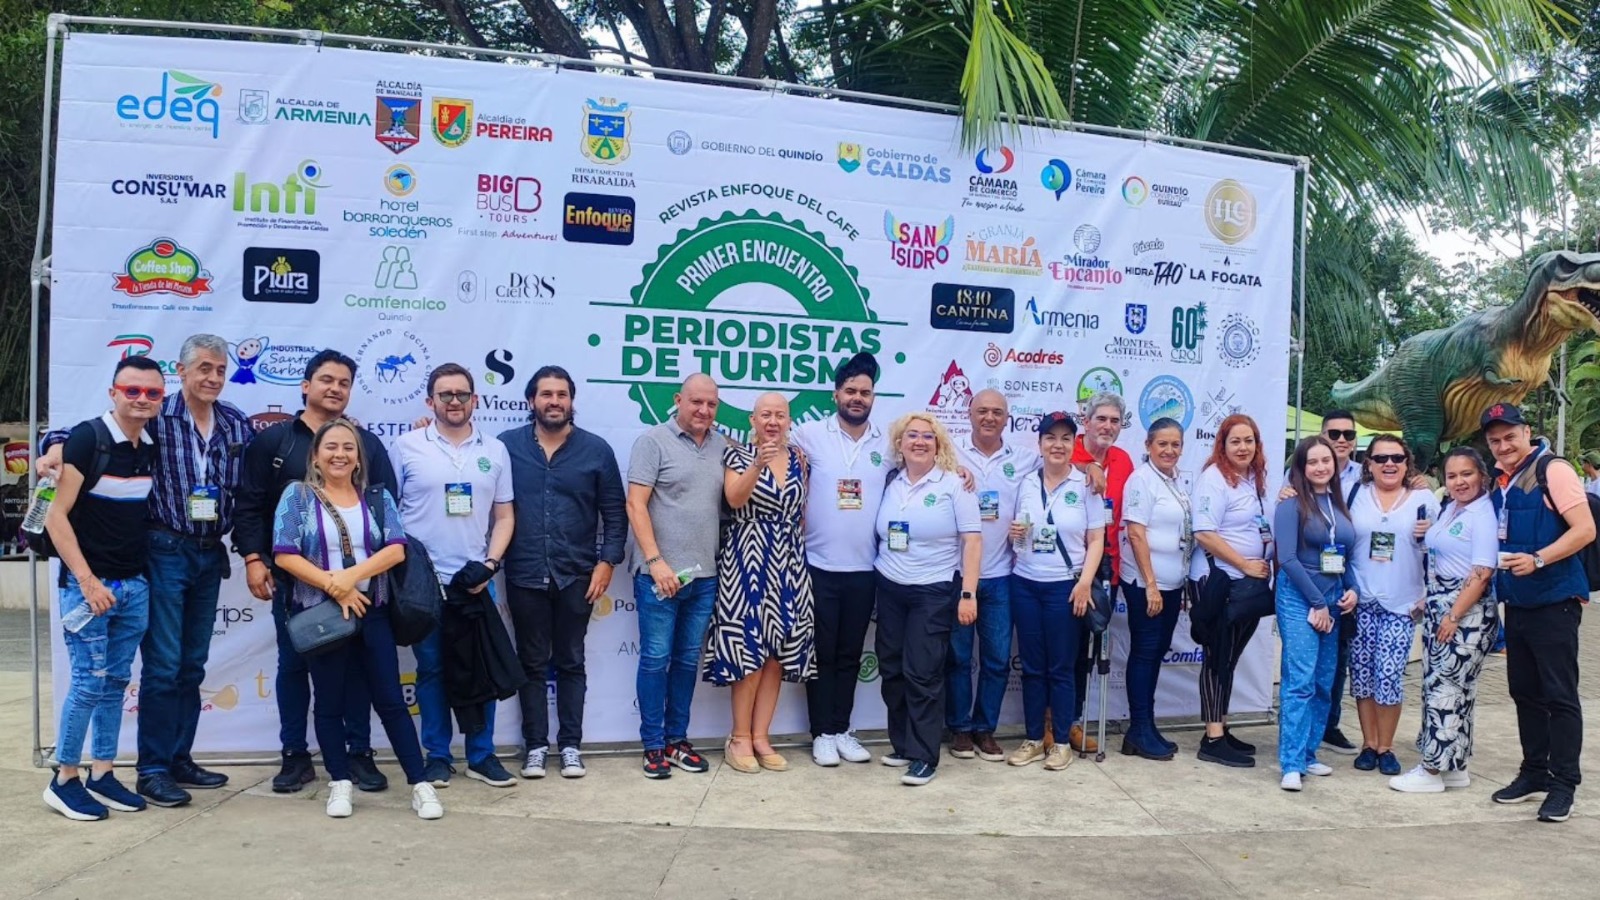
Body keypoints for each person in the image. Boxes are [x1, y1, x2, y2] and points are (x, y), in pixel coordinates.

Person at [35, 335, 254, 807]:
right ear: (182, 371)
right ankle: (151, 769)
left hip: (209, 553)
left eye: (220, 369)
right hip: (164, 550)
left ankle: (179, 758)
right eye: (204, 368)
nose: (213, 377)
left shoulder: (236, 422)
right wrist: (53, 444)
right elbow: (91, 431)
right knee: (163, 665)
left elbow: (262, 469)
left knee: (192, 665)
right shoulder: (158, 413)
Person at [234, 350, 400, 794]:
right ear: (305, 386)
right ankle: (295, 756)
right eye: (326, 380)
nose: (335, 388)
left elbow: (386, 510)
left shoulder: (367, 445)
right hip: (297, 585)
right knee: (293, 666)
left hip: (363, 588)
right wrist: (254, 558)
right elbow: (249, 504)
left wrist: (355, 578)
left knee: (359, 673)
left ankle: (358, 754)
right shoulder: (274, 443)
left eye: (344, 382)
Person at [271, 418, 442, 820]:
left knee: (390, 701)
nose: (340, 454)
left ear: (359, 458)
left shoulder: (378, 499)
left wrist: (350, 577)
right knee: (328, 703)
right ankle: (340, 783)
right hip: (322, 616)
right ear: (315, 455)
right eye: (331, 447)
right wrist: (335, 587)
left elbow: (396, 550)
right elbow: (284, 553)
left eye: (348, 448)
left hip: (373, 613)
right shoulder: (297, 496)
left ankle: (420, 785)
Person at [40, 356, 162, 820]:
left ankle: (103, 773)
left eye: (151, 393)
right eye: (132, 391)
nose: (141, 400)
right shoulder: (89, 438)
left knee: (114, 684)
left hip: (133, 586)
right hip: (88, 588)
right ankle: (64, 778)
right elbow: (56, 517)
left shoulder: (149, 443)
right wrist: (89, 582)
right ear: (113, 392)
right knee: (88, 684)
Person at [393, 363, 517, 788]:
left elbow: (504, 515)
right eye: (445, 394)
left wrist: (491, 564)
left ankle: (482, 755)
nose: (454, 401)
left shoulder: (495, 450)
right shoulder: (407, 445)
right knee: (431, 670)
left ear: (475, 400)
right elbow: (389, 513)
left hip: (474, 579)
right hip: (423, 583)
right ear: (430, 401)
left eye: (462, 394)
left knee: (480, 668)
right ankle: (439, 757)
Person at [500, 365, 626, 780]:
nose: (554, 401)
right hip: (524, 573)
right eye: (546, 394)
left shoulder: (596, 450)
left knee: (571, 661)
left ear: (572, 401)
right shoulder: (505, 447)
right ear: (530, 401)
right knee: (532, 662)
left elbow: (614, 514)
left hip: (578, 576)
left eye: (562, 394)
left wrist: (606, 562)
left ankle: (571, 745)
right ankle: (535, 746)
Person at [1482, 403, 1595, 823]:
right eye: (1495, 439)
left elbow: (1585, 530)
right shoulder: (1500, 481)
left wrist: (1541, 560)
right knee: (1524, 691)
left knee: (1559, 696)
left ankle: (1563, 783)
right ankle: (1534, 773)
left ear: (1526, 432)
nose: (1503, 445)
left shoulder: (1553, 470)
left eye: (1510, 436)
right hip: (1520, 603)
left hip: (1555, 601)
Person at [705, 393, 815, 773]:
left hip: (789, 559)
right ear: (752, 420)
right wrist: (758, 464)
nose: (773, 421)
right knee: (748, 649)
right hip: (747, 558)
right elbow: (734, 500)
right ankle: (738, 738)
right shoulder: (736, 455)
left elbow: (801, 512)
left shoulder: (801, 459)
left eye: (780, 416)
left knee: (777, 653)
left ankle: (761, 736)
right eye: (765, 415)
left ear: (788, 421)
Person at [626, 373, 726, 779]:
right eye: (696, 402)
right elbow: (635, 505)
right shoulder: (652, 442)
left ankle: (676, 741)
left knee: (686, 662)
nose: (703, 410)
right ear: (678, 400)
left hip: (704, 577)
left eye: (712, 404)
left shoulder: (722, 445)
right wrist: (656, 562)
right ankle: (653, 746)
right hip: (659, 578)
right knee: (654, 660)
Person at [874, 412, 981, 786]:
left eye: (928, 437)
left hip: (933, 590)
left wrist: (968, 593)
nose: (919, 442)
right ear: (899, 443)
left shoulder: (955, 484)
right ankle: (902, 744)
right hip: (889, 585)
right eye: (912, 436)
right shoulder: (891, 481)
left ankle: (924, 755)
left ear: (939, 445)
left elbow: (972, 540)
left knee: (922, 672)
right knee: (892, 667)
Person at [791, 352, 887, 767]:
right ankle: (821, 733)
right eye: (850, 390)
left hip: (865, 569)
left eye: (865, 392)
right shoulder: (809, 433)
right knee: (821, 653)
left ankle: (842, 727)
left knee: (850, 654)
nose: (857, 397)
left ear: (872, 398)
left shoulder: (888, 441)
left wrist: (963, 473)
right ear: (836, 394)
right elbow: (769, 446)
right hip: (818, 564)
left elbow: (928, 459)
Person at [1390, 447, 1498, 793]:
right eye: (1452, 476)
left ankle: (1432, 769)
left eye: (1467, 474)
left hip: (1465, 612)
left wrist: (1453, 614)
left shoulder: (1483, 515)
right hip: (1443, 604)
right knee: (1453, 690)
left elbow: (1481, 573)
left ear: (1482, 475)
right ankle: (1455, 766)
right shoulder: (1453, 508)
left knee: (1445, 691)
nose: (1459, 481)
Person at [1005, 412, 1104, 772]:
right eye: (1051, 438)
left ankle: (1060, 742)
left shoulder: (1087, 484)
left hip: (1066, 586)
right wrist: (1015, 535)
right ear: (1040, 443)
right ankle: (1034, 739)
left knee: (1062, 668)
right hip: (1026, 583)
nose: (1057, 445)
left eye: (1065, 438)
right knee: (1033, 668)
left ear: (1074, 444)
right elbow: (1020, 530)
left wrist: (1084, 582)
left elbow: (1097, 539)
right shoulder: (1026, 482)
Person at [946, 389, 1036, 762]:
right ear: (969, 413)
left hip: (1001, 575)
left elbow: (1065, 463)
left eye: (997, 412)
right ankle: (960, 729)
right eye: (982, 410)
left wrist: (1092, 467)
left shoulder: (1025, 458)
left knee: (998, 659)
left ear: (1007, 418)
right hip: (957, 573)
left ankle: (986, 729)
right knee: (957, 658)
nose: (989, 417)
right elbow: (905, 459)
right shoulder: (947, 452)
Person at [1345, 435, 1436, 777]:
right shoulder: (1355, 495)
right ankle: (1369, 744)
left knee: (1389, 675)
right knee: (1363, 678)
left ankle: (1387, 746)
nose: (1389, 464)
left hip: (1402, 603)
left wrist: (1430, 593)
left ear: (1406, 462)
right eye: (1381, 458)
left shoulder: (1424, 498)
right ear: (1368, 463)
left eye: (1397, 458)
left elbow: (1439, 548)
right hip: (1361, 600)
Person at [1274, 436, 1359, 792]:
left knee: (1325, 682)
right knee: (1301, 680)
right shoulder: (1291, 504)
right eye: (1313, 462)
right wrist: (1316, 604)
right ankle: (1291, 763)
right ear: (1302, 467)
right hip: (1299, 596)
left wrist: (1352, 589)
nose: (1321, 467)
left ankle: (1309, 753)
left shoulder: (1338, 503)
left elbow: (1344, 555)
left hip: (1333, 597)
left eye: (1326, 461)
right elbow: (1288, 558)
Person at [1192, 413, 1272, 768]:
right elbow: (1204, 533)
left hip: (1248, 584)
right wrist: (1244, 564)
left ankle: (1220, 725)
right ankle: (1212, 739)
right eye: (1235, 441)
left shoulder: (1255, 479)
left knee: (1230, 658)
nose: (1243, 447)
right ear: (1222, 445)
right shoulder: (1214, 479)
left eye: (1249, 440)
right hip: (1220, 581)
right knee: (1216, 656)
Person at [1118, 417, 1194, 760]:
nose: (1169, 450)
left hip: (1172, 584)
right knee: (1145, 654)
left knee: (1155, 655)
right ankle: (1138, 729)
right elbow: (1136, 533)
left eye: (1175, 444)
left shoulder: (1176, 481)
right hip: (1147, 585)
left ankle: (1146, 728)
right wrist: (1151, 584)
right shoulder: (1141, 480)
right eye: (1162, 443)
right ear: (1148, 446)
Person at [1069, 392, 1132, 753]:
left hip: (1110, 566)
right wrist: (1086, 466)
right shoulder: (1068, 449)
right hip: (1070, 567)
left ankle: (1074, 720)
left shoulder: (1123, 460)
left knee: (1093, 650)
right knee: (1067, 649)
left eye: (1114, 421)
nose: (1107, 426)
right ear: (1087, 421)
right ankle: (1055, 723)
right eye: (1101, 419)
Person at [1315, 410, 1363, 756]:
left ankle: (1330, 724)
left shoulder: (1369, 473)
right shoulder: (1303, 471)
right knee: (1309, 658)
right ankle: (1307, 726)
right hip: (1314, 575)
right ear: (1323, 435)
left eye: (1348, 434)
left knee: (1340, 654)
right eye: (1335, 434)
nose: (1342, 440)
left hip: (1353, 573)